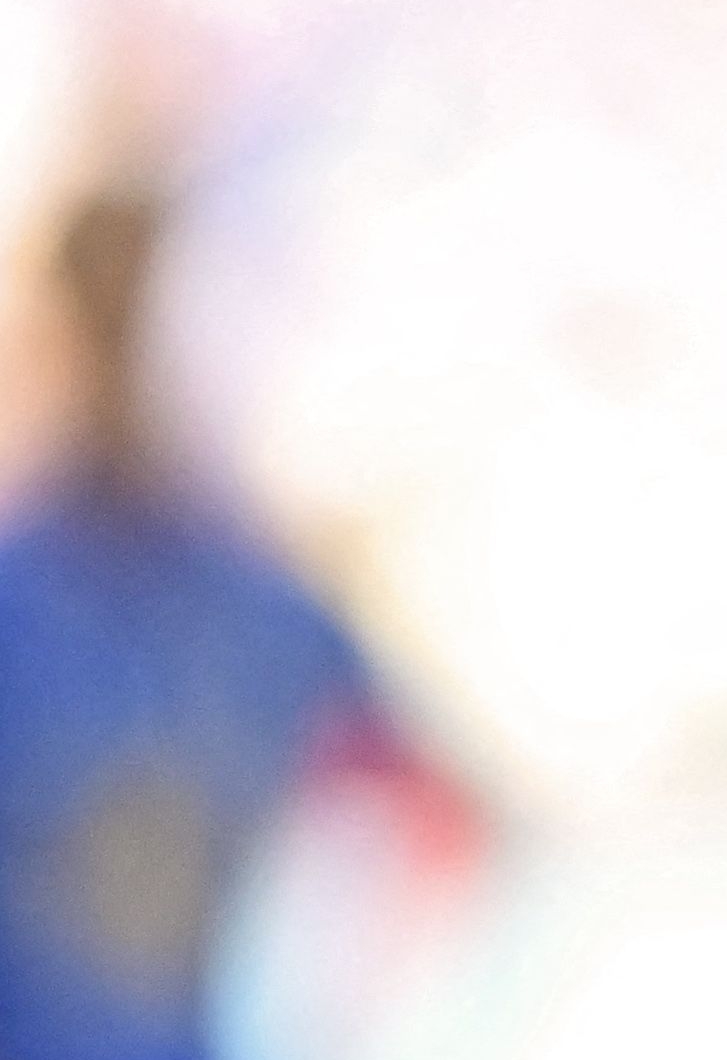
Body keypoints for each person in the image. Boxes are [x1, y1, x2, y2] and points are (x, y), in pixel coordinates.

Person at [0, 166, 457, 1060]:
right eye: (104, 315)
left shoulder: (263, 602)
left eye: (144, 312)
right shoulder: (21, 595)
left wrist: (336, 994)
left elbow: (426, 802)